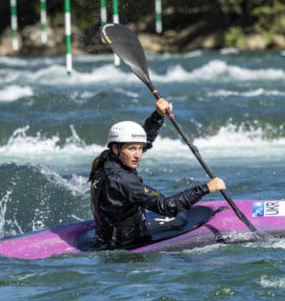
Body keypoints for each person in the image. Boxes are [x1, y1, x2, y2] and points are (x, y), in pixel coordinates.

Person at [88, 98, 226, 250]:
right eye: (132, 149)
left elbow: (143, 140)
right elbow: (167, 207)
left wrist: (158, 116)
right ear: (116, 148)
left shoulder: (107, 160)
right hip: (124, 244)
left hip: (107, 236)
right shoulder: (123, 181)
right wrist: (206, 188)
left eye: (140, 148)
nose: (138, 155)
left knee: (182, 217)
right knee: (180, 217)